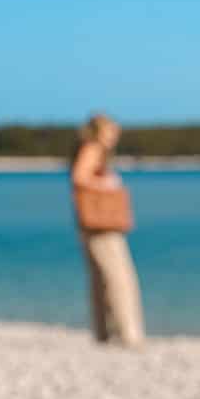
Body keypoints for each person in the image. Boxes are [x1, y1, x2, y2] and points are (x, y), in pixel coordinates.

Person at [70, 114, 145, 346]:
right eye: (110, 131)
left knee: (101, 280)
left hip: (92, 226)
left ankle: (104, 333)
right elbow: (79, 177)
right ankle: (127, 333)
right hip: (102, 227)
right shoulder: (92, 149)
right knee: (119, 279)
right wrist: (106, 184)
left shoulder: (88, 149)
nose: (114, 136)